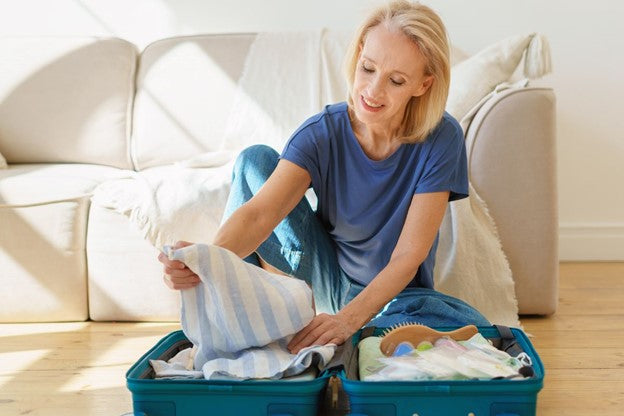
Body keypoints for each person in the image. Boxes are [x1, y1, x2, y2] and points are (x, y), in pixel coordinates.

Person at [158, 0, 489, 355]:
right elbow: (259, 215)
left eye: (396, 81)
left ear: (423, 85)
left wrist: (349, 320)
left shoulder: (441, 138)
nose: (373, 91)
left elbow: (409, 255)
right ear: (359, 54)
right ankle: (243, 316)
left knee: (468, 326)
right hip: (332, 277)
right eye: (368, 68)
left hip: (401, 292)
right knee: (255, 160)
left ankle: (369, 327)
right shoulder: (320, 134)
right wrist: (203, 264)